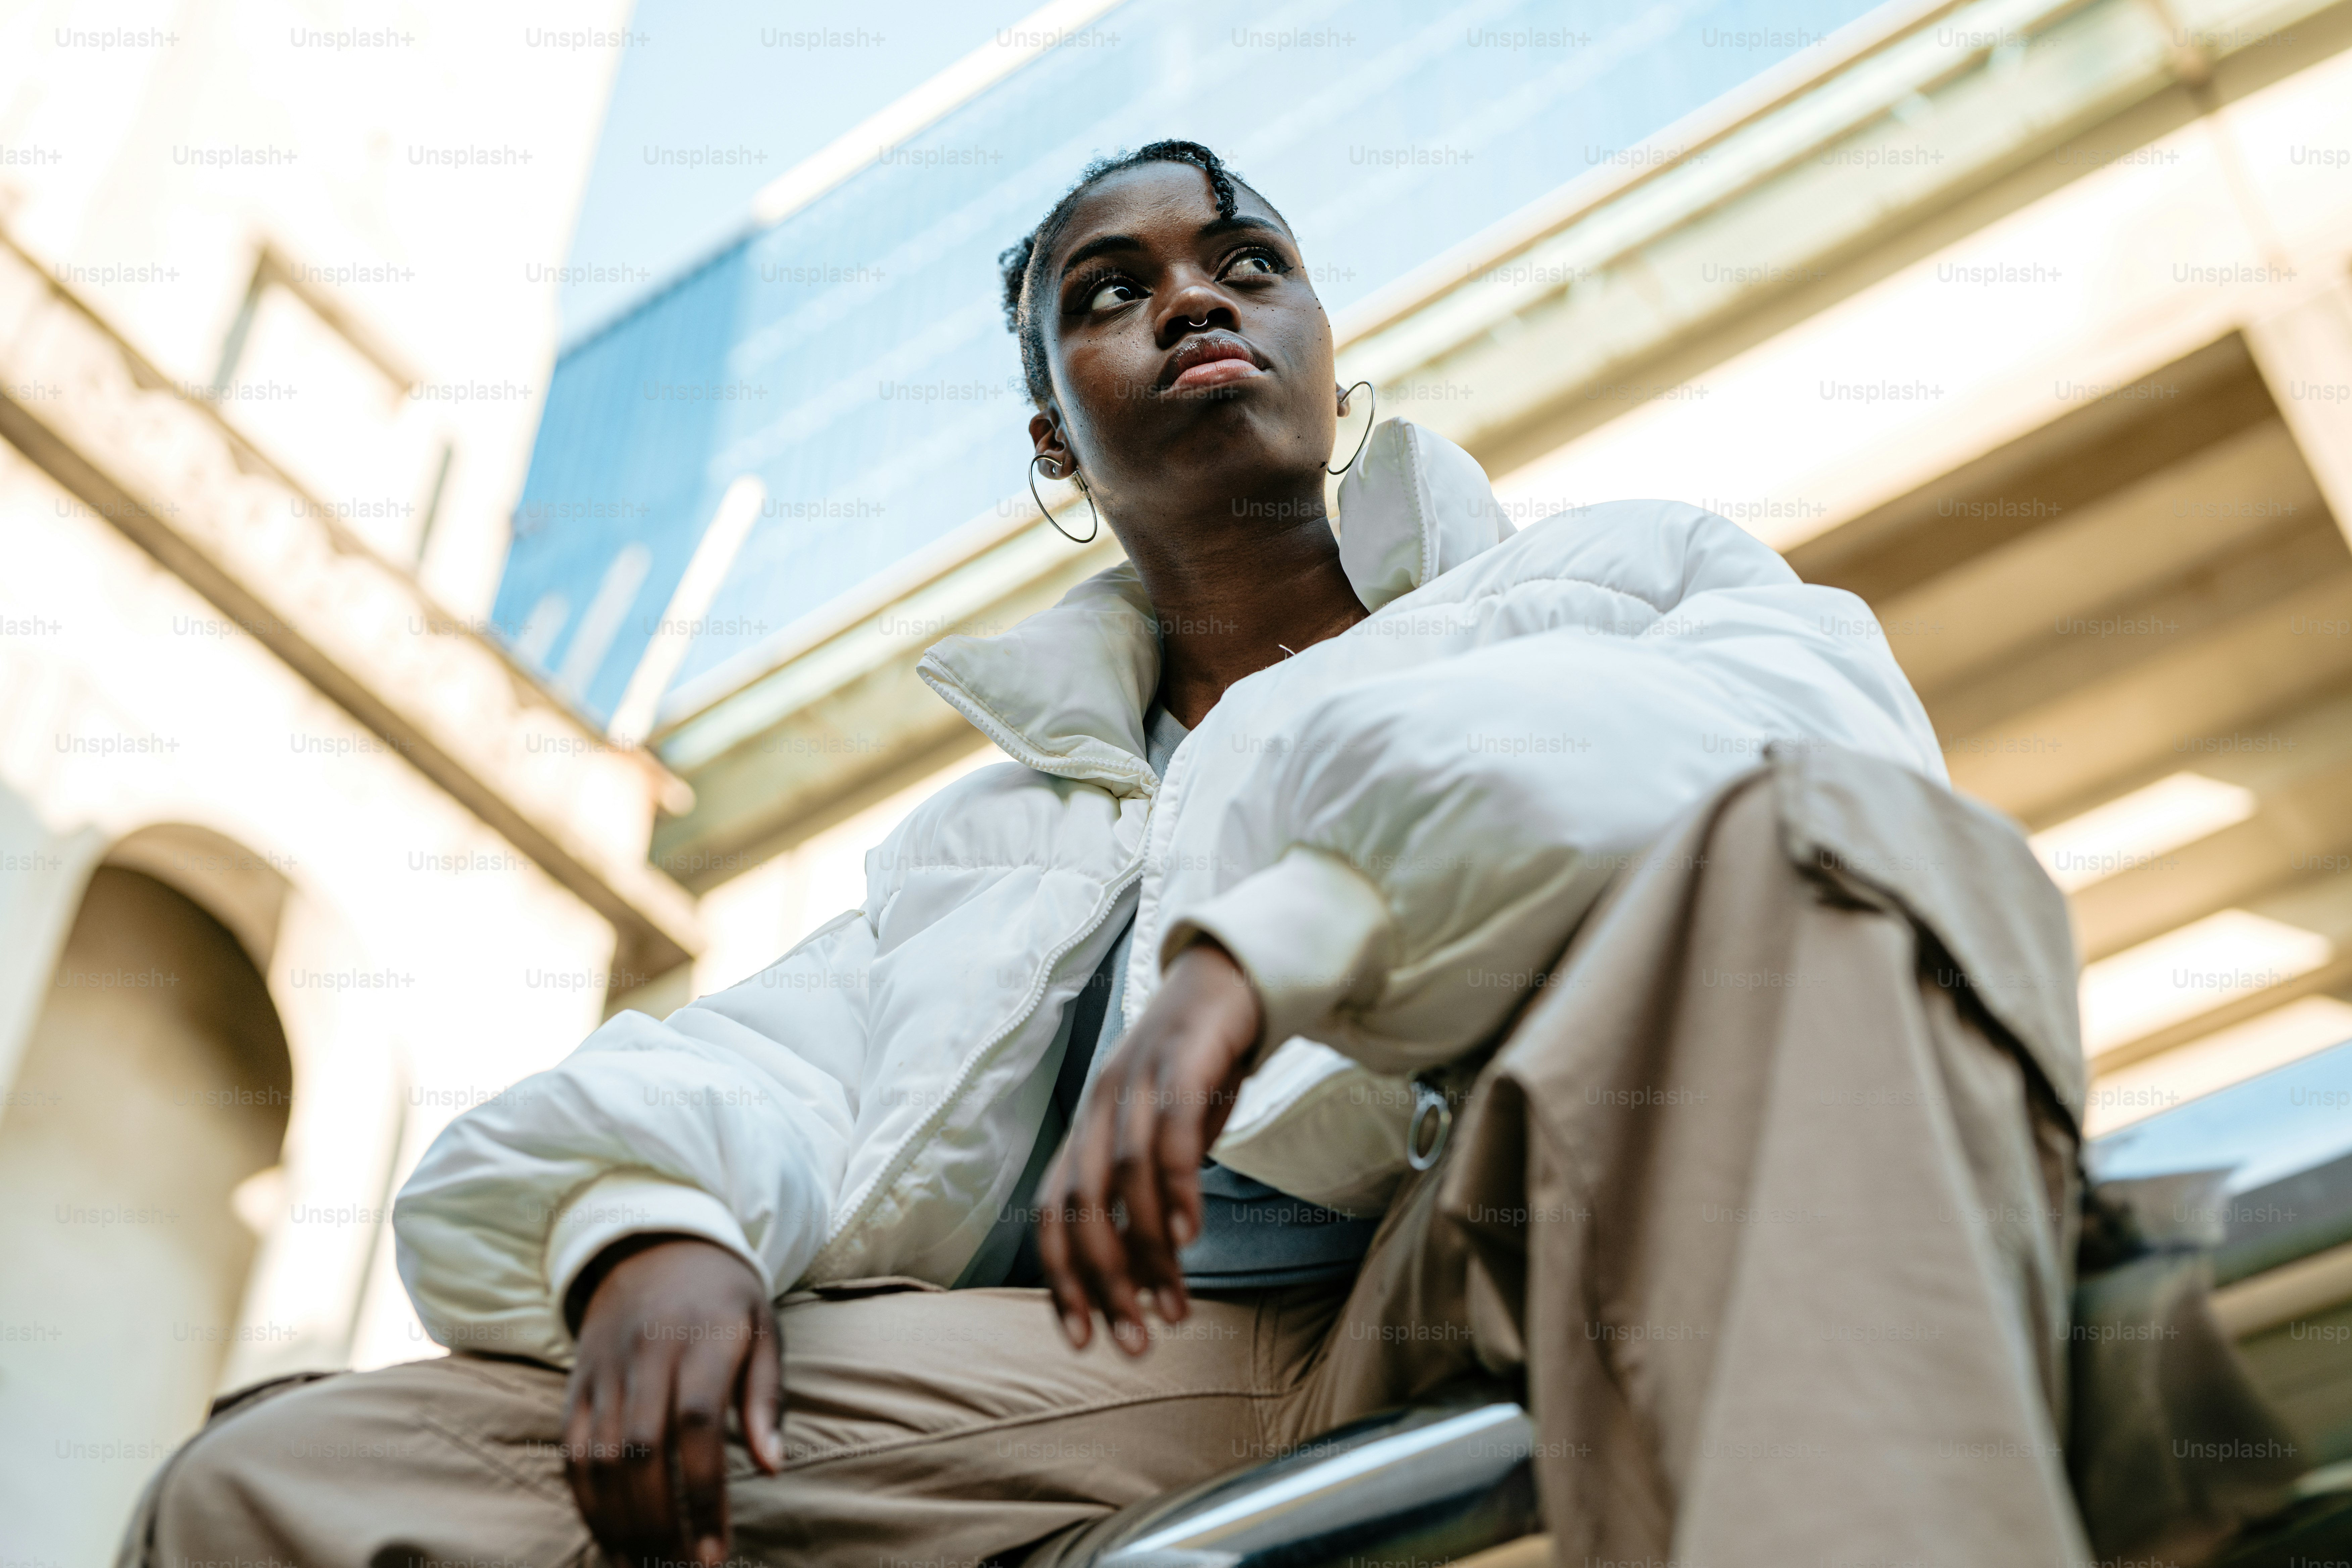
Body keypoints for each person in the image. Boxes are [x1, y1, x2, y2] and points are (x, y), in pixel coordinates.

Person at [121, 141, 2065, 1568]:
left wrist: (1288, 935)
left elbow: (1812, 749)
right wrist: (646, 1230)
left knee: (1813, 845)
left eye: (1243, 263)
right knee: (269, 1485)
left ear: (1320, 343)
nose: (1191, 299)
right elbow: (753, 1067)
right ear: (1055, 442)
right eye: (1110, 293)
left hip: (1504, 1229)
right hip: (1099, 1387)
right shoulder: (990, 835)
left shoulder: (1603, 577)